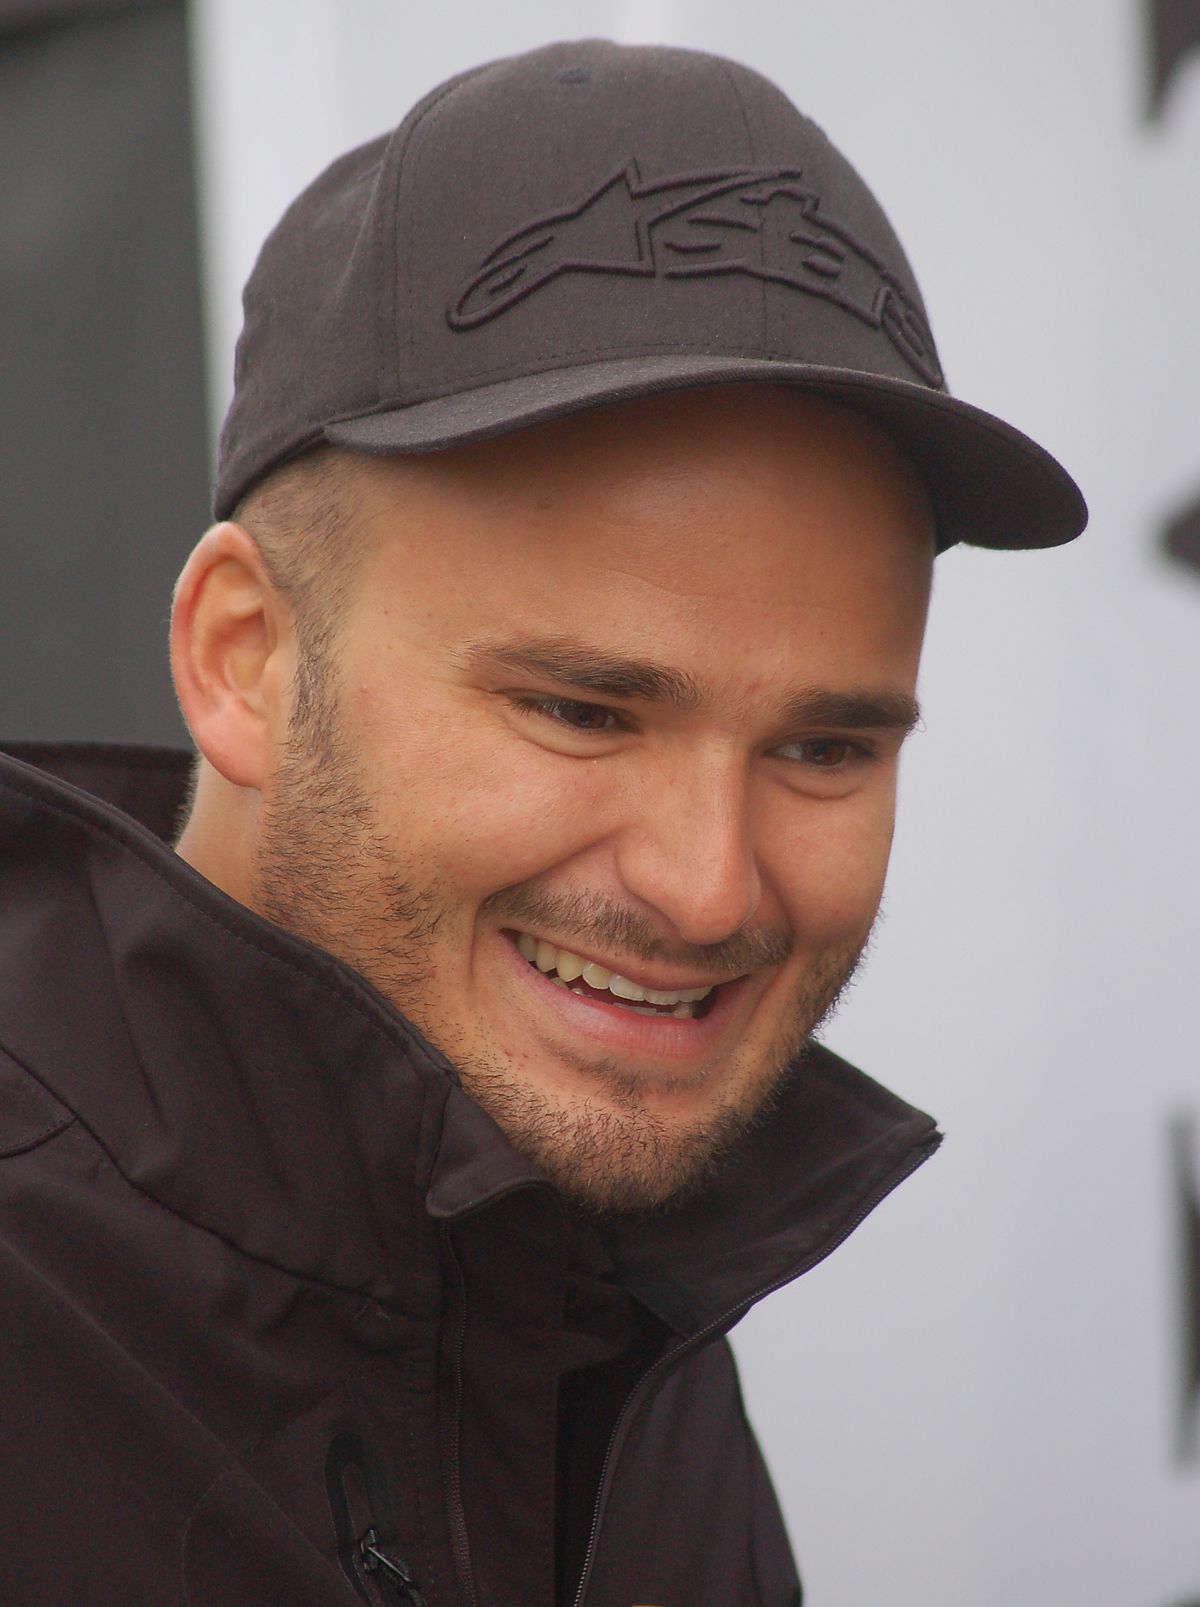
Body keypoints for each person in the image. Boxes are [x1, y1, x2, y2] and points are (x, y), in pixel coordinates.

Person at [0, 39, 1085, 1607]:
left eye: (824, 747)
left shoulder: (601, 1284)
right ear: (246, 659)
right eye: (584, 711)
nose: (707, 889)